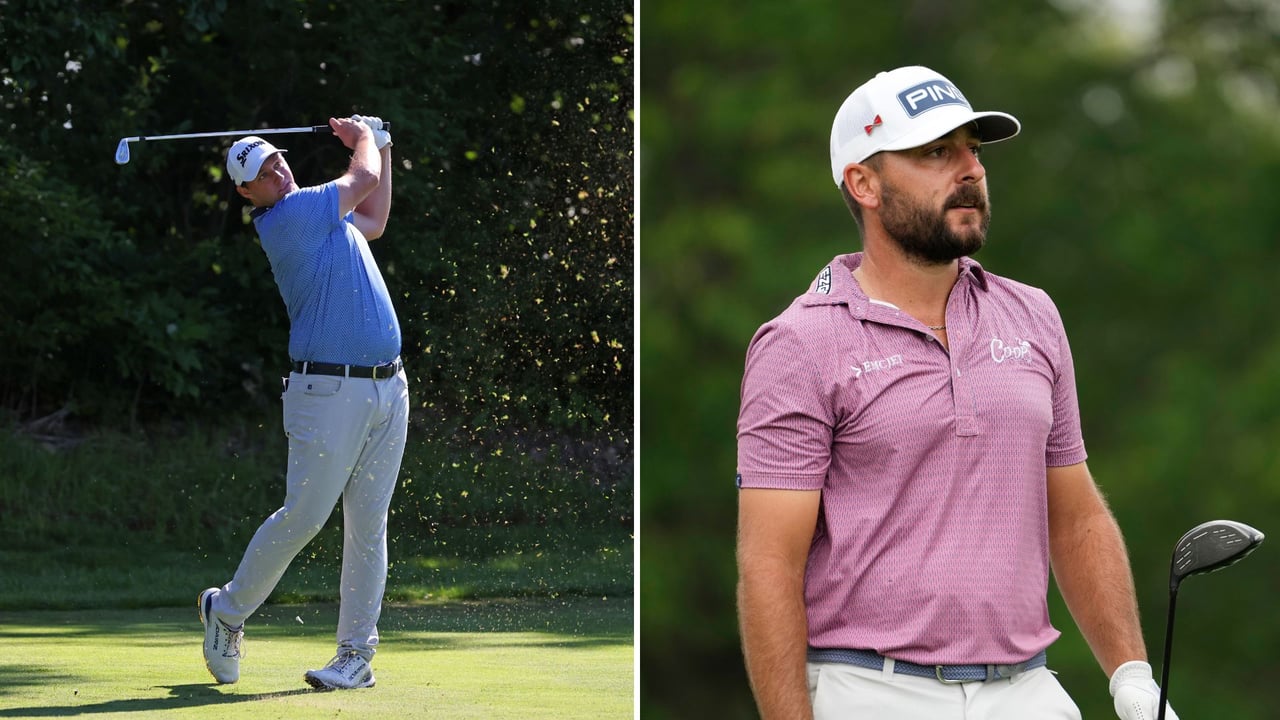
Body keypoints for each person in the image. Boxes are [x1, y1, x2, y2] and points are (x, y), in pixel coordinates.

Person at [735, 66, 1177, 720]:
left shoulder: (1032, 316)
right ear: (864, 183)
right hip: (871, 690)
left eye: (973, 149)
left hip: (1026, 690)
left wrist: (1132, 675)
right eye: (936, 152)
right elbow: (769, 566)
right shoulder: (801, 343)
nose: (969, 169)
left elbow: (1075, 514)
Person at [199, 114, 409, 691]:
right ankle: (228, 610)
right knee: (305, 517)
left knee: (369, 524)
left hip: (389, 387)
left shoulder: (322, 215)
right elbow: (361, 177)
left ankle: (355, 656)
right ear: (248, 193)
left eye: (277, 159)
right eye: (263, 173)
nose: (278, 170)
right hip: (327, 391)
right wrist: (365, 138)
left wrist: (383, 145)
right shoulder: (287, 217)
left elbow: (374, 216)